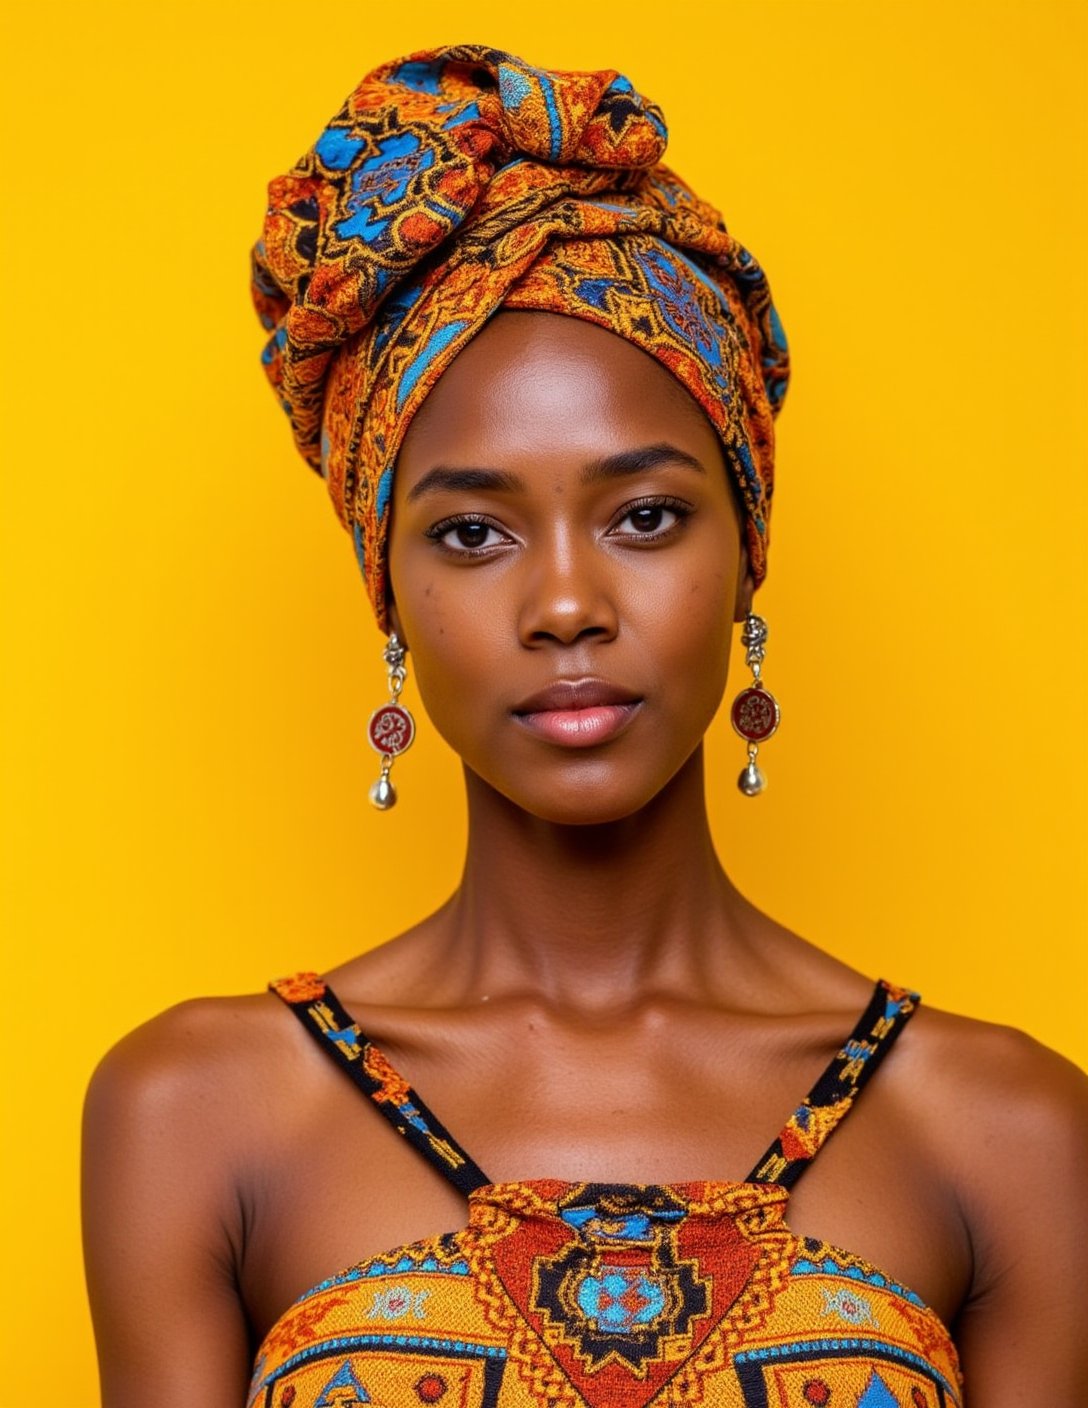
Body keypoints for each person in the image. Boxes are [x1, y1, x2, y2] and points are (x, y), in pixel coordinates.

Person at [82, 43, 1088, 1408]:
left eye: (645, 516)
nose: (565, 603)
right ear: (390, 584)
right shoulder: (197, 1111)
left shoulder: (1007, 1131)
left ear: (747, 553)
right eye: (476, 531)